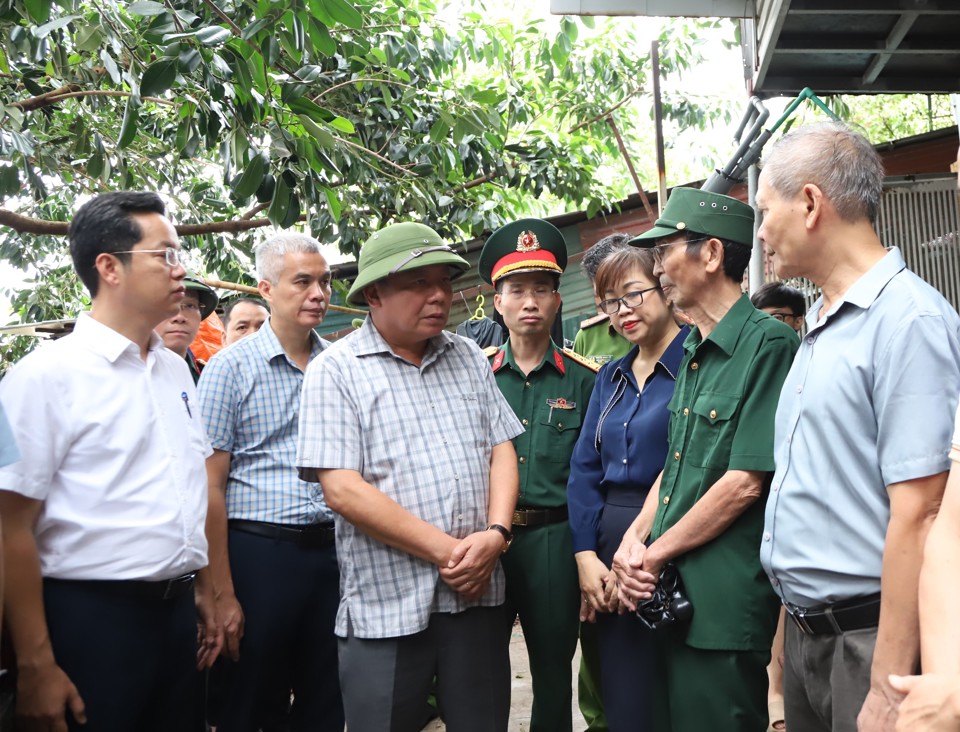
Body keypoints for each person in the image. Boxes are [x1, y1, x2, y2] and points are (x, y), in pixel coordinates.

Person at [758, 121, 960, 732]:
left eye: (766, 210)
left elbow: (923, 512)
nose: (762, 231)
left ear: (811, 204)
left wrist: (886, 681)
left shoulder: (909, 321)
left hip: (871, 640)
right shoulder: (820, 322)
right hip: (809, 634)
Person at [0, 191, 218, 731]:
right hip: (90, 620)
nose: (180, 269)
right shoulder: (37, 379)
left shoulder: (174, 371)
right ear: (108, 267)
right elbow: (8, 526)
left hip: (175, 615)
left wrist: (210, 590)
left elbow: (193, 485)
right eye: (164, 254)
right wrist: (35, 665)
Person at [297, 222, 523, 732]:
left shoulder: (466, 355)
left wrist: (496, 534)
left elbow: (501, 447)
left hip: (476, 592)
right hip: (388, 603)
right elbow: (342, 489)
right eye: (418, 283)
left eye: (443, 281)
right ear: (373, 293)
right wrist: (450, 552)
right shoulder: (336, 371)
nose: (439, 295)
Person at [614, 187, 799, 732]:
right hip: (671, 593)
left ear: (711, 255)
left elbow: (745, 482)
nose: (657, 270)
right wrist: (636, 539)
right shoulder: (695, 348)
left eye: (666, 252)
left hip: (722, 600)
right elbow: (677, 463)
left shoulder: (768, 345)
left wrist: (653, 555)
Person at [197, 234, 342, 732]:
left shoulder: (339, 365)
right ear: (266, 288)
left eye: (324, 281)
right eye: (302, 281)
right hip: (259, 555)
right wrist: (222, 593)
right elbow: (209, 486)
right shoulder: (227, 369)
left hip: (333, 554)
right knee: (251, 699)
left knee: (328, 698)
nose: (318, 293)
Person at [478, 218, 598, 732]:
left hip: (553, 538)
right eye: (517, 290)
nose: (531, 301)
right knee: (481, 670)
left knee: (552, 669)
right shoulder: (473, 375)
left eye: (542, 290)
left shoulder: (587, 379)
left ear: (557, 301)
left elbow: (594, 472)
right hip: (485, 540)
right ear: (497, 301)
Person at [567, 245, 687, 732]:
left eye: (634, 293)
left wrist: (637, 556)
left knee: (676, 694)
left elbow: (691, 464)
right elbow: (583, 470)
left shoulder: (695, 364)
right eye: (610, 301)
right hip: (607, 547)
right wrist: (586, 558)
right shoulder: (610, 378)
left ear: (662, 286)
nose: (623, 311)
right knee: (625, 696)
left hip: (673, 538)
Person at [573, 232, 633, 367]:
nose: (622, 309)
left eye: (631, 293)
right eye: (607, 297)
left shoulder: (681, 329)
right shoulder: (587, 337)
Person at [156, 275, 219, 382]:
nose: (179, 317)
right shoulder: (126, 373)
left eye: (190, 306)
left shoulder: (208, 375)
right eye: (167, 304)